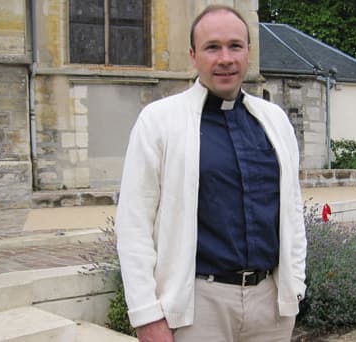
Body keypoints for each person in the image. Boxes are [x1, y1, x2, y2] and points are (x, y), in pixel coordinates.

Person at [115, 5, 307, 342]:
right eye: (212, 47)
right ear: (193, 55)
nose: (225, 58)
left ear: (249, 52)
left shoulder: (274, 120)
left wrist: (296, 284)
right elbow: (134, 223)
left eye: (235, 46)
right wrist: (147, 315)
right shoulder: (159, 121)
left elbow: (292, 209)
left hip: (270, 306)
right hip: (198, 306)